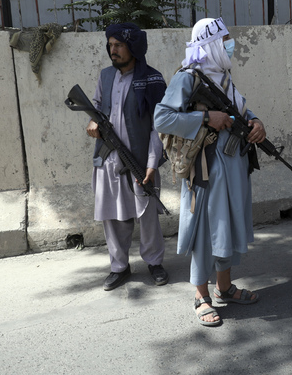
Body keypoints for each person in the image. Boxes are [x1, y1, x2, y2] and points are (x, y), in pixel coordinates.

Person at [154, 17, 263, 327]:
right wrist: (205, 119)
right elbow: (162, 118)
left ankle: (224, 287)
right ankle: (201, 295)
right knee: (206, 231)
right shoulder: (188, 78)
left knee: (227, 227)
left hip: (234, 167)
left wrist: (256, 123)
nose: (230, 43)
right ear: (211, 43)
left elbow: (238, 109)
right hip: (206, 169)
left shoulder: (223, 75)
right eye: (225, 38)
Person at [87, 23, 169, 291]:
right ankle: (119, 267)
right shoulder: (105, 76)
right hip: (109, 157)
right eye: (110, 45)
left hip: (140, 159)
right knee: (114, 215)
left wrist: (151, 163)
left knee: (147, 215)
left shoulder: (153, 79)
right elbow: (97, 105)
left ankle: (155, 263)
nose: (113, 50)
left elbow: (161, 125)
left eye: (118, 45)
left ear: (133, 47)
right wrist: (92, 120)